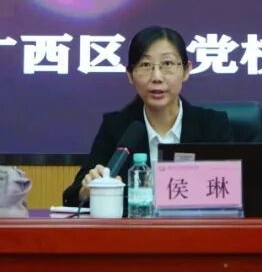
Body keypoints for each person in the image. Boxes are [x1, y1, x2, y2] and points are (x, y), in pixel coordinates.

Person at [63, 26, 234, 206]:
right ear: (130, 75)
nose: (157, 77)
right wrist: (86, 191)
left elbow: (235, 191)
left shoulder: (213, 126)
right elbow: (72, 197)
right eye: (145, 65)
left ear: (186, 71)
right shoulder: (117, 128)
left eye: (167, 64)